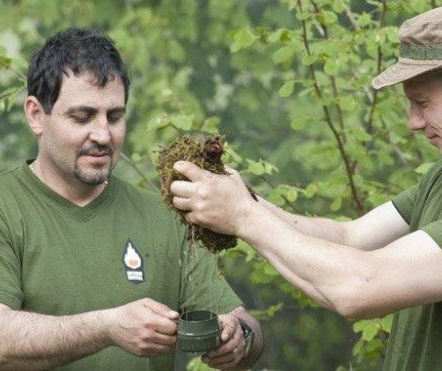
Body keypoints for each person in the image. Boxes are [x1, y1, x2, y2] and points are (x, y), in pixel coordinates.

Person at [169, 4, 442, 370]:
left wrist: (244, 217)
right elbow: (351, 237)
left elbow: (360, 287)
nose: (413, 121)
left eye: (422, 102)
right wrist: (239, 200)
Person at [0, 28, 263, 370]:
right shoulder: (8, 205)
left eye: (114, 116)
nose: (102, 134)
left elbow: (243, 322)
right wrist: (107, 327)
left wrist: (239, 335)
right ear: (36, 114)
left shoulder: (163, 214)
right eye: (82, 117)